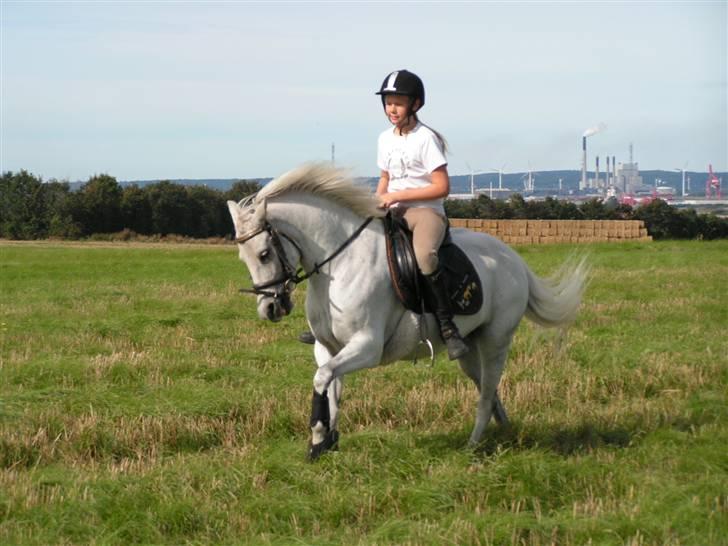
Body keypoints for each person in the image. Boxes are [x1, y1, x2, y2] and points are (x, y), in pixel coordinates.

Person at [374, 69, 468, 360]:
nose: (392, 108)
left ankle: (447, 325)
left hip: (425, 211)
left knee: (425, 257)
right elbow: (385, 177)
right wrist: (378, 199)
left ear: (415, 104)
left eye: (398, 102)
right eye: (389, 102)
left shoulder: (426, 139)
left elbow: (442, 187)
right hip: (392, 208)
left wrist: (396, 197)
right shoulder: (384, 138)